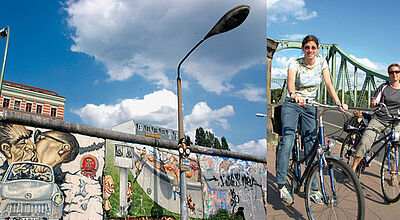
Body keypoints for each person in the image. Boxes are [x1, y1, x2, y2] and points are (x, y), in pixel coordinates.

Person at [276, 35, 348, 205]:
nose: (310, 50)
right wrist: (294, 95)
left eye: (313, 47)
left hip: (311, 105)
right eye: (307, 47)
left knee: (313, 145)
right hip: (293, 103)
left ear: (317, 49)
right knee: (287, 141)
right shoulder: (295, 63)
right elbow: (291, 83)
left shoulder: (322, 62)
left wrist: (338, 103)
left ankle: (314, 189)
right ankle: (281, 184)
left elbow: (329, 83)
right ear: (303, 49)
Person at [352, 63, 400, 185]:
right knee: (365, 141)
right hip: (379, 119)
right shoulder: (384, 87)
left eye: (397, 72)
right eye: (391, 72)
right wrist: (374, 102)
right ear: (388, 74)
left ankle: (394, 174)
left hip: (395, 122)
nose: (394, 74)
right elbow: (374, 101)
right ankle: (352, 170)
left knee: (394, 147)